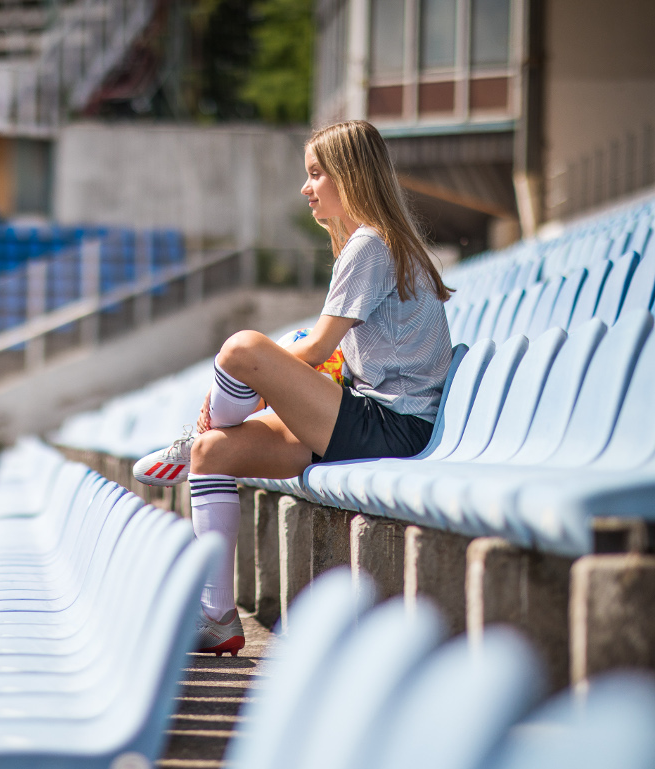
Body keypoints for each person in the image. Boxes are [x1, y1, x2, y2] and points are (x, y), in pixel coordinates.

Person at [134, 119, 454, 656]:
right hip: (368, 416)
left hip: (392, 425)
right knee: (215, 454)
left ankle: (203, 425)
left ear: (348, 176)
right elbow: (327, 353)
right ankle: (216, 618)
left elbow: (312, 351)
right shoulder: (370, 245)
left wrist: (259, 375)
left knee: (240, 349)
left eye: (315, 174)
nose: (306, 188)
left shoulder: (370, 245)